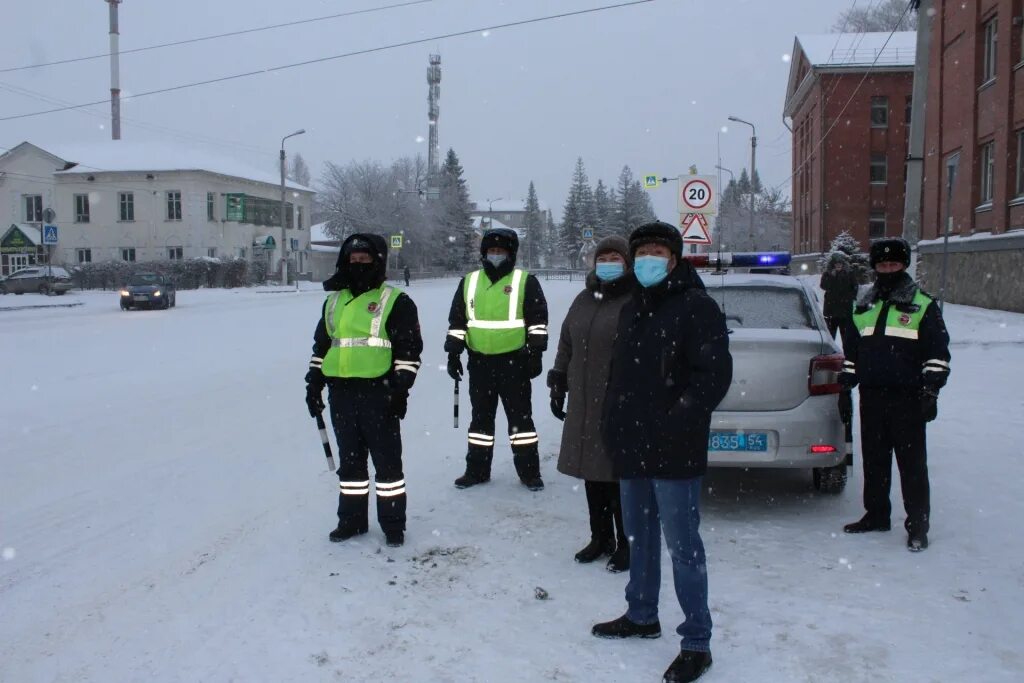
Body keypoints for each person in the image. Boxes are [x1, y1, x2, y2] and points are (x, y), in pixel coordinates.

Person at [592, 221, 732, 683]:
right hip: (632, 445)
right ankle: (642, 614)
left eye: (658, 251)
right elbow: (621, 377)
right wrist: (612, 425)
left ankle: (697, 641)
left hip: (675, 450)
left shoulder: (697, 307)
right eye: (643, 251)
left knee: (683, 547)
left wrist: (679, 419)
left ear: (674, 258)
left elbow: (713, 377)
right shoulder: (636, 306)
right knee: (639, 539)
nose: (649, 259)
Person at [305, 233, 423, 547]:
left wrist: (400, 389)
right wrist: (313, 384)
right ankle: (352, 520)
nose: (357, 264)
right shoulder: (333, 301)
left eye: (364, 259)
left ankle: (393, 524)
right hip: (341, 393)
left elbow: (409, 351)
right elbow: (323, 347)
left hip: (379, 393)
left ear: (377, 261)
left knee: (387, 466)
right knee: (351, 464)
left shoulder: (395, 301)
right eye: (352, 259)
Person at [839, 237, 950, 552]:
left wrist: (931, 389)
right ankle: (876, 515)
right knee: (874, 462)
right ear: (875, 267)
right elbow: (852, 351)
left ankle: (917, 526)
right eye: (882, 265)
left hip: (909, 398)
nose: (887, 269)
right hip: (872, 397)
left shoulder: (922, 305)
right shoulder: (863, 305)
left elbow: (938, 352)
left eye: (894, 264)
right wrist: (846, 385)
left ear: (904, 266)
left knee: (912, 465)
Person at [548, 235, 634, 573]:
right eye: (604, 256)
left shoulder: (635, 299)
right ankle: (600, 538)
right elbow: (566, 341)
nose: (609, 262)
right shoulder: (584, 298)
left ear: (627, 263)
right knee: (591, 474)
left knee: (617, 476)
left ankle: (627, 542)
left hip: (619, 403)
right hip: (584, 401)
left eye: (615, 256)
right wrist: (558, 381)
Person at [445, 227, 549, 491]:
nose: (495, 255)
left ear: (510, 254)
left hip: (515, 362)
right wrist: (453, 353)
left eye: (500, 251)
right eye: (491, 251)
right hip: (479, 363)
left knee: (521, 422)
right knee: (480, 420)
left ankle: (529, 473)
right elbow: (458, 321)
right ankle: (477, 470)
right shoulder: (469, 282)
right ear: (483, 253)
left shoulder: (525, 281)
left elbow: (537, 321)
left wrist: (535, 353)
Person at [819, 252, 859, 342]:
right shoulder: (827, 274)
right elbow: (823, 286)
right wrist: (831, 277)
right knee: (830, 336)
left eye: (840, 263)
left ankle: (847, 354)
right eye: (836, 264)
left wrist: (851, 297)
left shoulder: (849, 273)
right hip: (831, 310)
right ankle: (830, 354)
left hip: (845, 309)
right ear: (833, 265)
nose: (838, 266)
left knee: (846, 337)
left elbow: (855, 286)